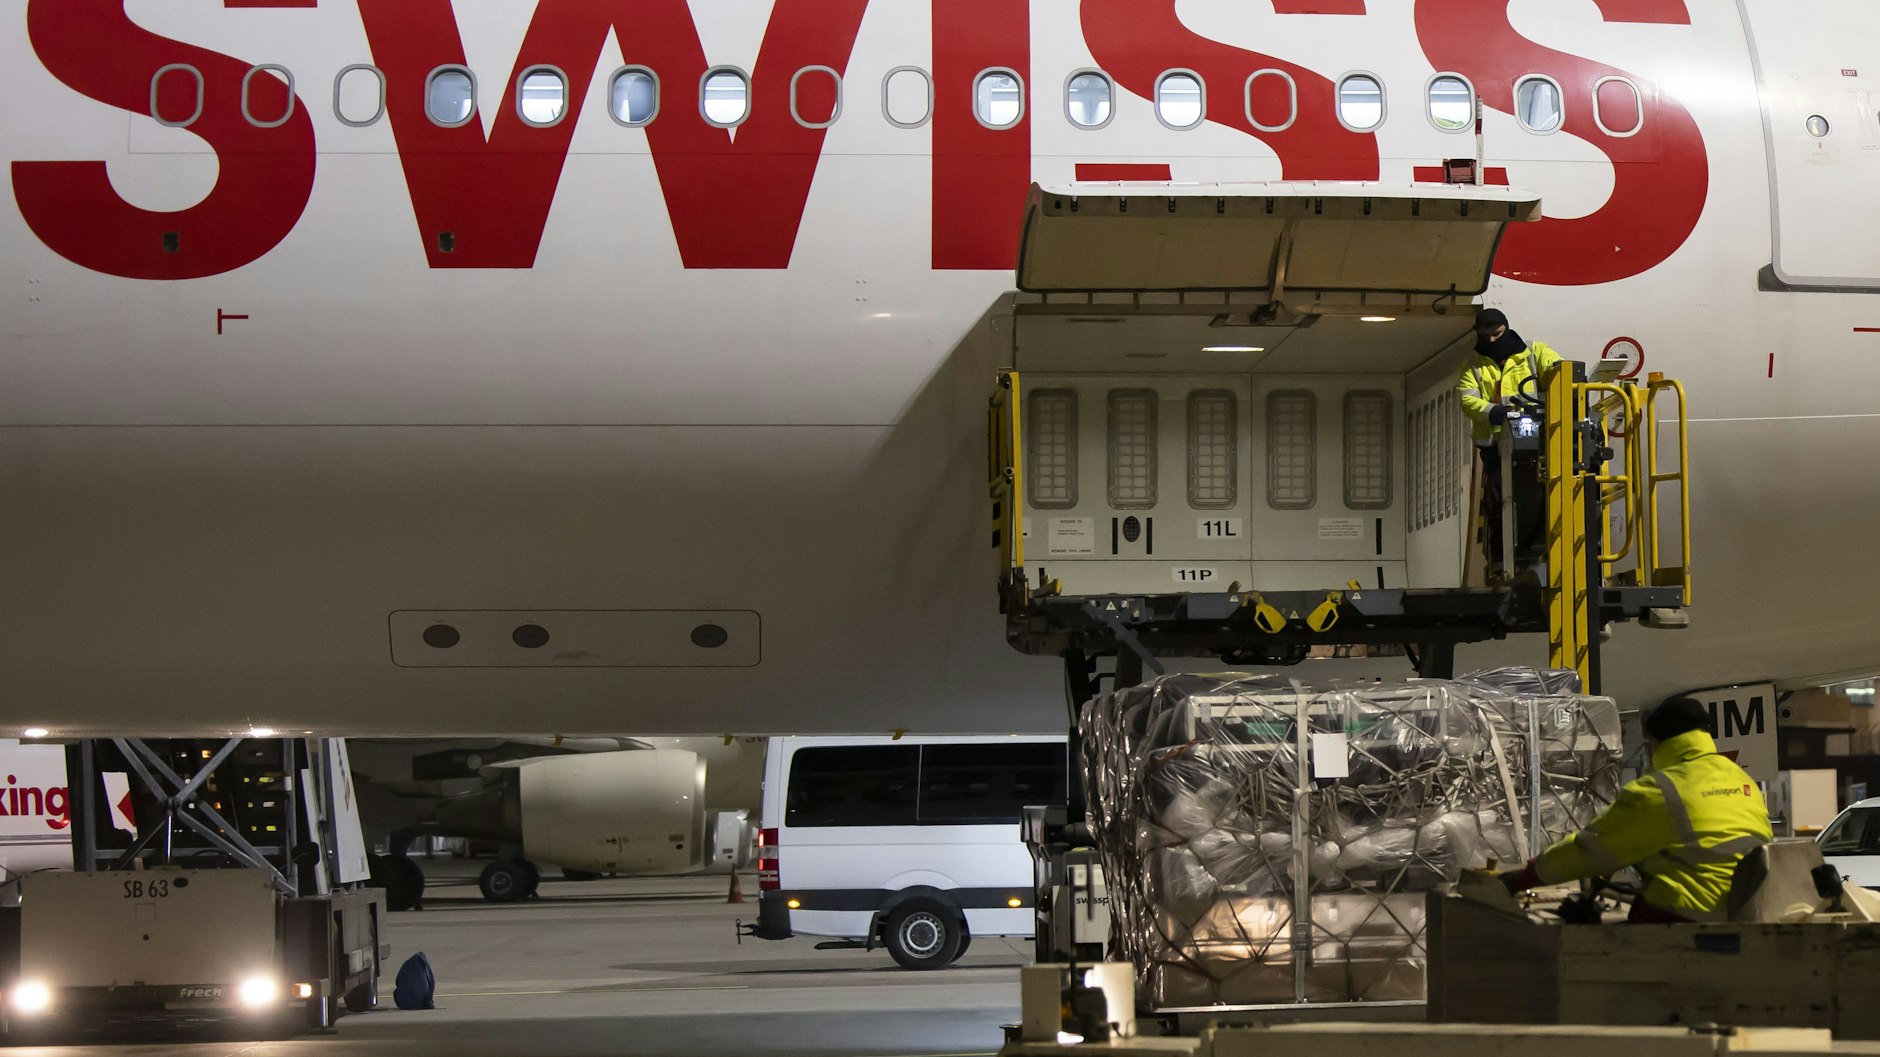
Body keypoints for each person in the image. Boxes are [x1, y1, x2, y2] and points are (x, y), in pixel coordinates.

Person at [1499, 696, 1773, 923]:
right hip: (1747, 909)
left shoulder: (1661, 791)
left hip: (1685, 916)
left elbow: (1592, 850)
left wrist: (1526, 876)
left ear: (1655, 743)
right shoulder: (1741, 779)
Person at [1455, 309, 1563, 577]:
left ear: (1506, 328)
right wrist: (1495, 411)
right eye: (1485, 334)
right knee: (1498, 497)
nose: (1491, 340)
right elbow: (1467, 400)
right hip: (1495, 445)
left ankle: (1541, 552)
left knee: (1540, 497)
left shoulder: (1534, 353)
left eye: (1496, 334)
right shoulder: (1472, 364)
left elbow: (1561, 374)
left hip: (1536, 442)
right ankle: (1504, 558)